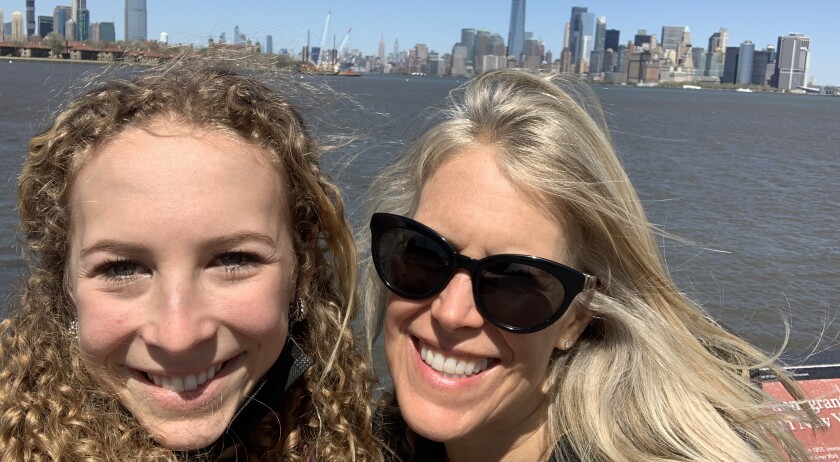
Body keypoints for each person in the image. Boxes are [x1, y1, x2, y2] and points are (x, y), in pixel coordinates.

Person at [364, 69, 815, 461]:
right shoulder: (368, 440)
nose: (450, 312)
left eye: (516, 281)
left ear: (575, 322)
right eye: (423, 254)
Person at [0, 59, 384, 461]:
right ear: (66, 284)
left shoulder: (365, 443)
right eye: (121, 268)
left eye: (233, 260)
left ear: (300, 270)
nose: (178, 336)